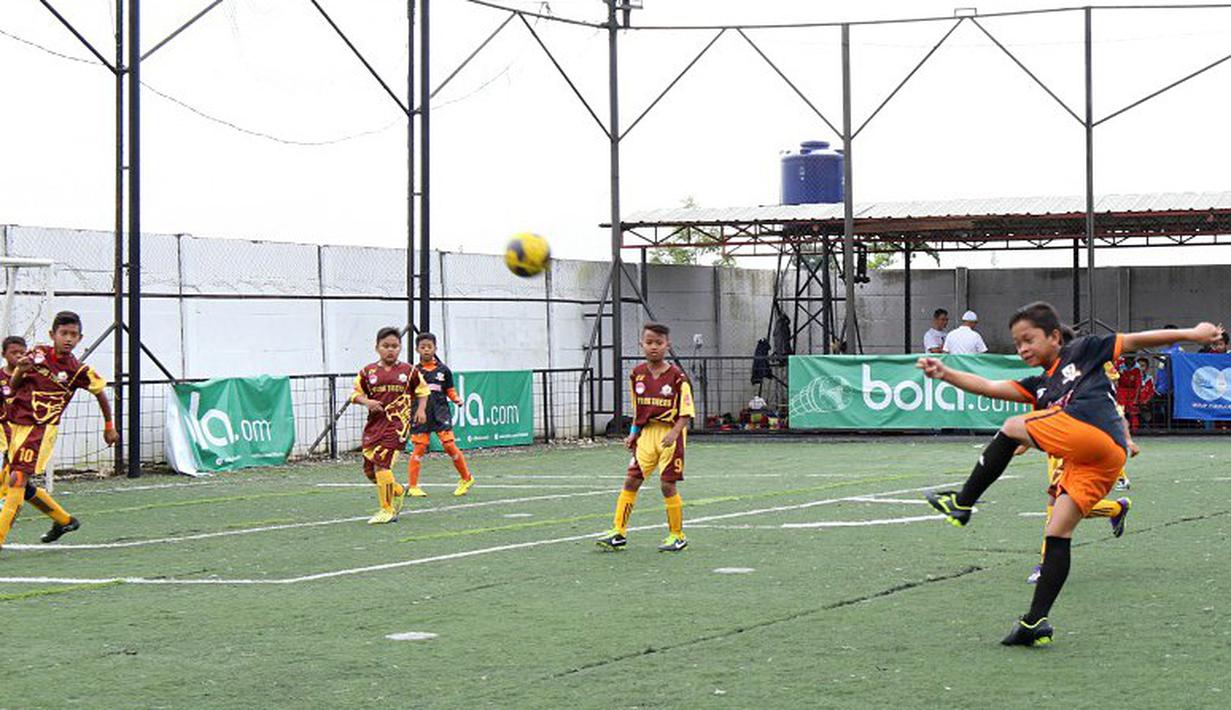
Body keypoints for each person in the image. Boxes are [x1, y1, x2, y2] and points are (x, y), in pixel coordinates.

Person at [919, 302, 1222, 646]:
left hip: (1095, 433)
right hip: (1098, 461)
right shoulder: (1041, 385)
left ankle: (962, 503)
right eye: (1017, 344)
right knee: (1057, 531)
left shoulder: (1084, 349)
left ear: (1054, 336)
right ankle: (1035, 623)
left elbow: (1139, 339)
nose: (1022, 349)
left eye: (1028, 339)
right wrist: (945, 373)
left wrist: (1193, 334)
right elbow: (990, 387)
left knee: (1010, 427)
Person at [0, 312, 119, 551]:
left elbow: (100, 394)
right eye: (63, 333)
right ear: (52, 335)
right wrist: (21, 370)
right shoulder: (36, 355)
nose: (68, 339)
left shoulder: (79, 370)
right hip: (16, 427)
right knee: (19, 483)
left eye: (73, 335)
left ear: (80, 338)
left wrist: (109, 426)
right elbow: (13, 388)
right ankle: (65, 521)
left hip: (41, 432)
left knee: (16, 480)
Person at [597, 323, 695, 552]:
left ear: (667, 346)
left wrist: (674, 432)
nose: (653, 347)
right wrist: (633, 434)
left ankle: (677, 535)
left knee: (667, 484)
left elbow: (686, 412)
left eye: (658, 343)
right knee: (631, 481)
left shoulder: (678, 378)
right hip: (647, 435)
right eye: (649, 342)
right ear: (641, 344)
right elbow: (638, 410)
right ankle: (618, 532)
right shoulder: (637, 374)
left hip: (671, 433)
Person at [351, 327, 428, 525]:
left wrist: (421, 410)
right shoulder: (368, 372)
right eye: (386, 346)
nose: (390, 350)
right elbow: (356, 394)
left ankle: (387, 510)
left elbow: (422, 391)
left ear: (400, 348)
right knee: (370, 471)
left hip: (396, 427)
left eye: (395, 346)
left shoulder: (409, 371)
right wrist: (367, 402)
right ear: (377, 348)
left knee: (381, 464)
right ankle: (398, 490)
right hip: (374, 426)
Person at [406, 333, 475, 498]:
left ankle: (466, 478)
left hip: (440, 412)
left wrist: (456, 399)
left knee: (449, 444)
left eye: (429, 347)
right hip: (420, 413)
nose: (426, 350)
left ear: (435, 348)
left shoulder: (444, 370)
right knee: (419, 447)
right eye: (423, 347)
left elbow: (449, 390)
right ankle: (413, 486)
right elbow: (409, 393)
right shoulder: (414, 372)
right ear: (417, 350)